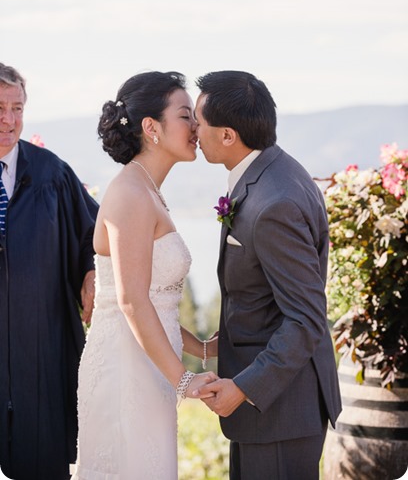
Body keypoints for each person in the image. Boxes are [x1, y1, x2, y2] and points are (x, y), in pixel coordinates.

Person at [193, 70, 342, 480]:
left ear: (227, 135)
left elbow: (306, 318)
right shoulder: (270, 172)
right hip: (269, 411)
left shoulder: (275, 201)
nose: (192, 129)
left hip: (280, 410)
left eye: (198, 120)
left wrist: (243, 388)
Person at [71, 71, 217, 480]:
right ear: (151, 128)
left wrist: (201, 348)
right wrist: (185, 380)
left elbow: (155, 302)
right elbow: (131, 301)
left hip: (150, 366)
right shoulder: (131, 192)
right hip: (126, 371)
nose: (196, 126)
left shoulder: (149, 190)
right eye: (186, 115)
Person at [0, 63, 99, 480]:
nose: (8, 120)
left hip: (38, 353)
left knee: (40, 462)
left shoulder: (51, 174)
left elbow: (96, 235)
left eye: (17, 108)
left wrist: (92, 273)